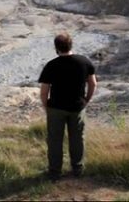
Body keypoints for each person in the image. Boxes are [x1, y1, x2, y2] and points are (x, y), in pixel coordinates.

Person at [38, 32, 97, 181]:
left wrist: (46, 107)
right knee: (77, 138)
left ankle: (54, 172)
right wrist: (86, 100)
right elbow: (93, 83)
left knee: (55, 140)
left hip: (56, 107)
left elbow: (44, 91)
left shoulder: (51, 65)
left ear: (56, 48)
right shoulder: (84, 62)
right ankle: (77, 169)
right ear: (71, 45)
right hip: (77, 107)